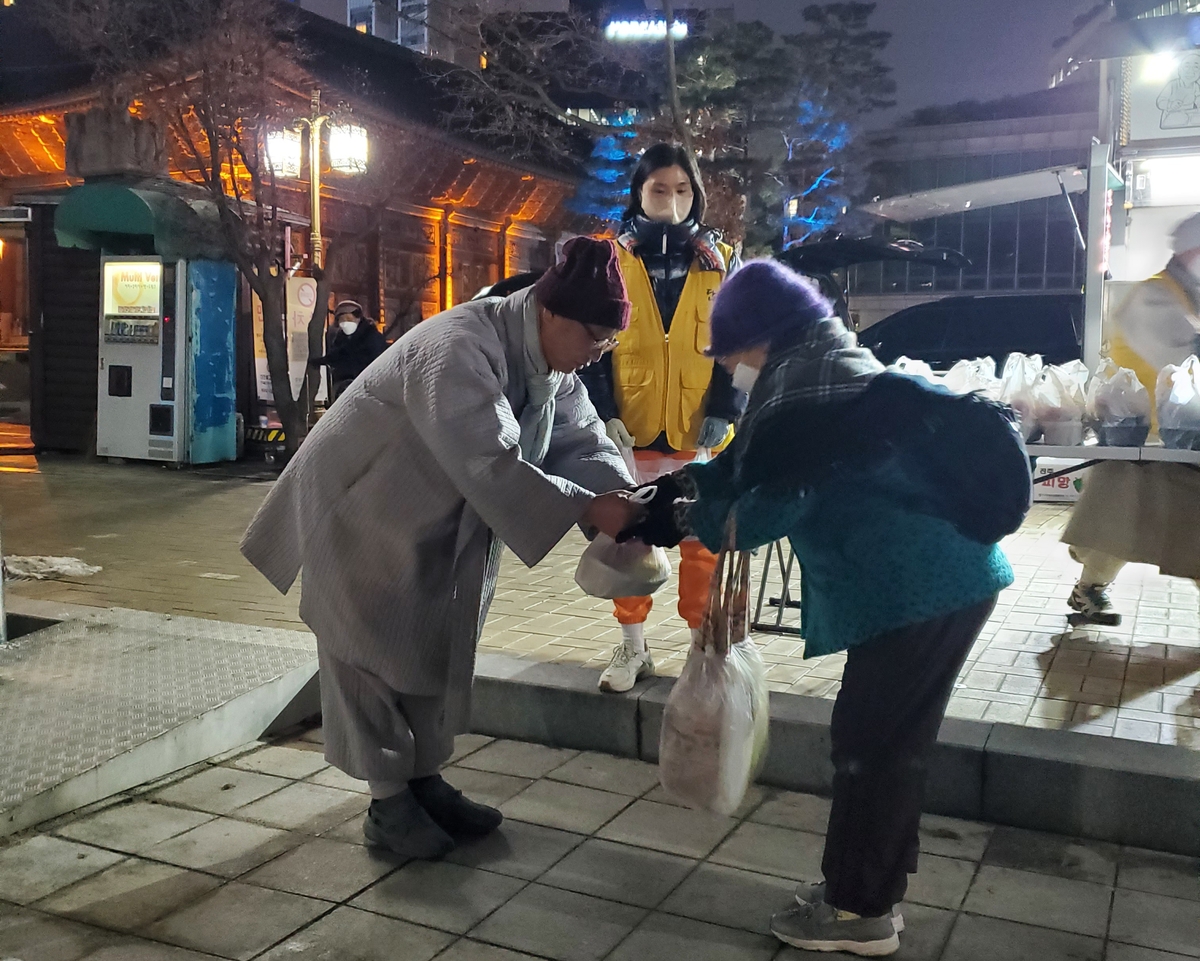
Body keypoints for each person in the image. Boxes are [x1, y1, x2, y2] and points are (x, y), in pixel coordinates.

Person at [619, 260, 1015, 957]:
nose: (730, 368)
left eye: (731, 351)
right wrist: (683, 484)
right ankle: (867, 890)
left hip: (923, 586)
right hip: (936, 580)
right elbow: (757, 465)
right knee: (882, 740)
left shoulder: (807, 394)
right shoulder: (826, 368)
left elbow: (767, 504)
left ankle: (859, 910)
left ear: (759, 336)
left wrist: (677, 516)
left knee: (874, 745)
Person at [241, 238, 639, 860]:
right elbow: (488, 454)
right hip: (361, 509)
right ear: (553, 313)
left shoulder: (550, 365)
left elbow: (582, 438)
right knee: (364, 655)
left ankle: (423, 780)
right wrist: (587, 506)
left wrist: (622, 498)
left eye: (608, 342)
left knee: (428, 646)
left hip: (432, 521)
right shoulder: (457, 346)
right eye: (596, 337)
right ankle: (388, 803)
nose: (598, 354)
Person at [579, 142, 741, 694]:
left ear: (695, 194)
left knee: (703, 544)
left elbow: (736, 346)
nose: (670, 201)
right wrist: (604, 413)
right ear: (638, 193)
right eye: (658, 190)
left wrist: (724, 408)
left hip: (699, 434)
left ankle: (704, 652)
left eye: (682, 190)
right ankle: (632, 649)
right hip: (635, 430)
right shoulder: (611, 258)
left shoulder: (721, 260)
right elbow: (591, 342)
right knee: (632, 541)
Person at [1063, 212, 1200, 625]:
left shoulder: (1185, 295)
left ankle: (1088, 589)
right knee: (1123, 519)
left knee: (1125, 520)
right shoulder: (1155, 297)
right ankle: (1089, 589)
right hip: (1152, 440)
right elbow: (1184, 360)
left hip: (1171, 445)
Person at [308, 300, 389, 399]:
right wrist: (320, 361)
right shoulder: (340, 339)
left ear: (358, 318)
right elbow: (336, 356)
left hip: (369, 388)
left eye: (349, 319)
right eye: (342, 320)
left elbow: (379, 363)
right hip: (345, 388)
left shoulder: (372, 336)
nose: (345, 323)